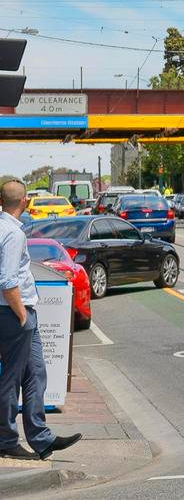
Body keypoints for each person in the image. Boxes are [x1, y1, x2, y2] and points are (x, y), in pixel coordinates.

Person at [0, 179, 80, 460]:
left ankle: (41, 438)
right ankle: (7, 439)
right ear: (24, 203)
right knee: (12, 377)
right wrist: (22, 315)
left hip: (17, 312)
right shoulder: (13, 234)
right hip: (14, 313)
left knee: (36, 373)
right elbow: (8, 281)